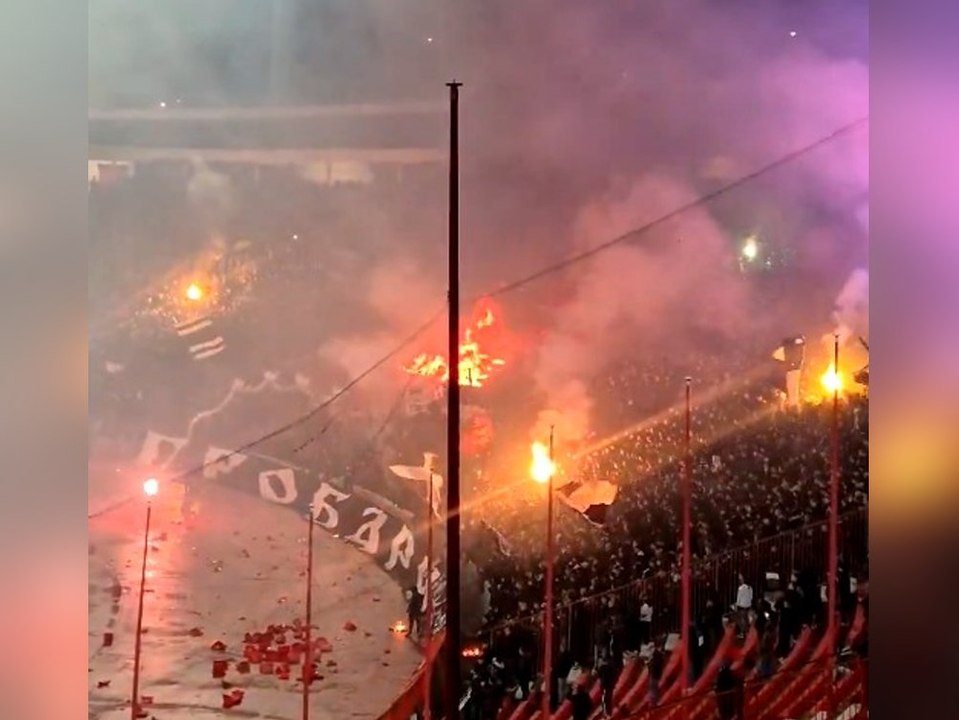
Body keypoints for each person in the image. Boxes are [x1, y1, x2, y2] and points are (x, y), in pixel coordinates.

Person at [648, 636, 665, 706]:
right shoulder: (657, 655)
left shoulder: (656, 655)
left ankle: (654, 703)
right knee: (654, 691)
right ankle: (654, 703)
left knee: (654, 691)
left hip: (654, 676)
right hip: (655, 676)